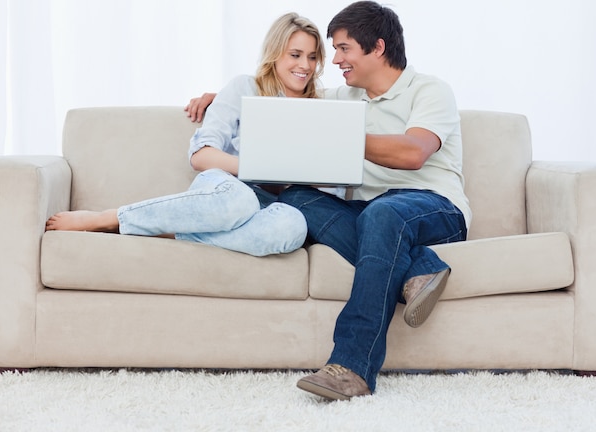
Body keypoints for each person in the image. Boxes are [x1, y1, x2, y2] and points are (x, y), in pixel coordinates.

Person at [185, 1, 471, 401]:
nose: (334, 60)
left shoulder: (430, 90)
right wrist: (223, 97)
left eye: (343, 49)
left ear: (377, 48)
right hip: (372, 214)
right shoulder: (343, 97)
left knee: (384, 213)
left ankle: (352, 366)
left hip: (433, 205)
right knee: (299, 196)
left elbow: (413, 153)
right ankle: (419, 269)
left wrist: (344, 134)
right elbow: (287, 97)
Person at [45, 12, 325, 257]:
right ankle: (111, 218)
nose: (305, 66)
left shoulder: (321, 110)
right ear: (275, 53)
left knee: (293, 227)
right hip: (227, 189)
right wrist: (260, 169)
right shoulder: (244, 88)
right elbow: (201, 155)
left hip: (272, 206)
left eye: (312, 57)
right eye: (295, 55)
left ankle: (168, 232)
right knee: (241, 201)